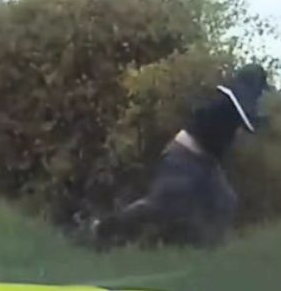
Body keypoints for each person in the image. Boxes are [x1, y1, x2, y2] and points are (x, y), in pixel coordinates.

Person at [92, 64, 273, 247]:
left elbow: (250, 120)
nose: (259, 95)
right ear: (250, 85)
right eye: (258, 89)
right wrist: (266, 120)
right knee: (158, 205)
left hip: (206, 162)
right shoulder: (228, 104)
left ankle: (211, 251)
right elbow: (250, 123)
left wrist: (265, 119)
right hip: (184, 156)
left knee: (225, 201)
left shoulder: (232, 104)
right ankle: (104, 227)